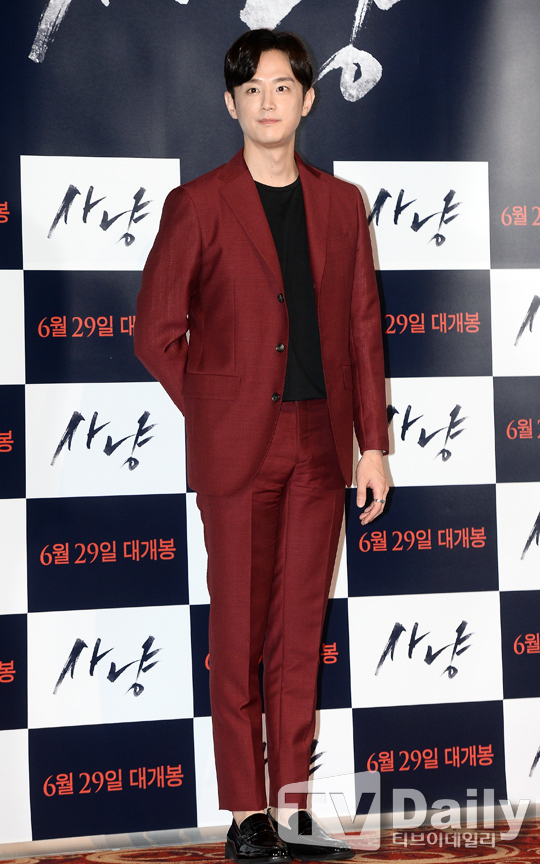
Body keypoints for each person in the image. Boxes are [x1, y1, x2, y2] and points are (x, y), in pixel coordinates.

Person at [134, 28, 389, 864]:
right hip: (239, 450)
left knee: (298, 635)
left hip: (322, 444)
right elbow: (154, 333)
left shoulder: (342, 204)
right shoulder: (198, 204)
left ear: (308, 100)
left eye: (282, 87)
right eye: (252, 90)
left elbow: (363, 330)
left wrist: (373, 445)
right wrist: (217, 410)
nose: (267, 102)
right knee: (239, 636)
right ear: (231, 104)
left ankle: (293, 813)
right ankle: (246, 815)